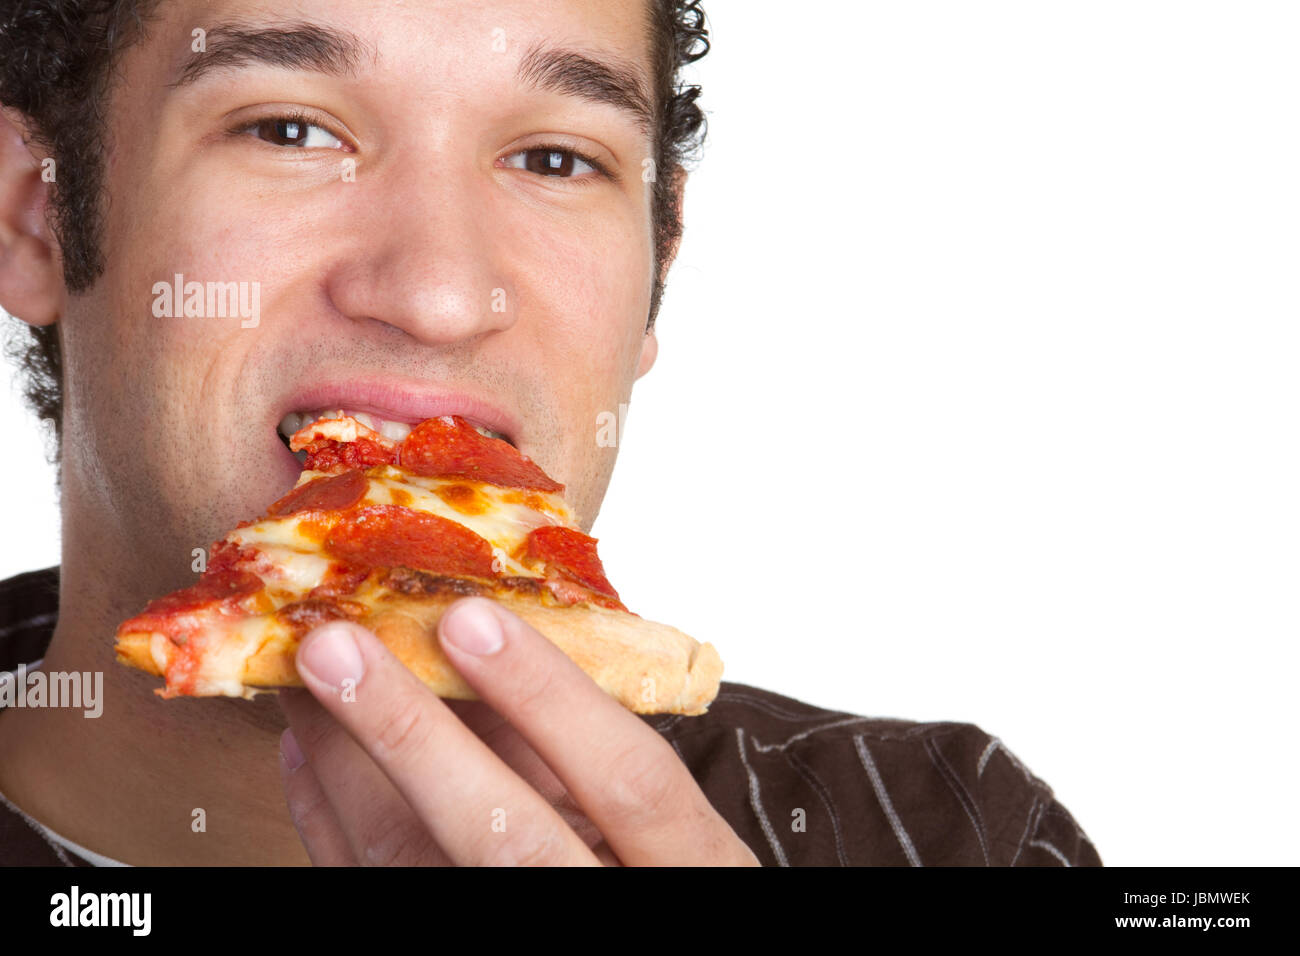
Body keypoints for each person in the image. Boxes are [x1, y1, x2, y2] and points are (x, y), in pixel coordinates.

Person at [0, 0, 1099, 866]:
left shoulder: (962, 836)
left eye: (553, 159)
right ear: (33, 214)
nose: (439, 292)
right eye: (290, 129)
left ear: (657, 265)